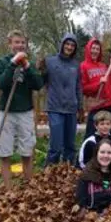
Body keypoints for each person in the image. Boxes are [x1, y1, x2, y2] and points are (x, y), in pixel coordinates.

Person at [0, 29, 44, 189]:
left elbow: (38, 84)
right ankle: (9, 190)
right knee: (4, 151)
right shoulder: (2, 62)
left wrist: (28, 67)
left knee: (27, 150)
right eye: (17, 42)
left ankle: (28, 188)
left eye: (22, 42)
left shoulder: (29, 63)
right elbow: (2, 83)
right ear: (10, 44)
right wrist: (13, 63)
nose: (20, 45)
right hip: (6, 112)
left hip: (25, 112)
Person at [40, 33, 81, 166]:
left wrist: (80, 106)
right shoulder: (50, 62)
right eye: (67, 44)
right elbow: (41, 81)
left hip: (71, 108)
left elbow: (78, 87)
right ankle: (50, 171)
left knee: (70, 144)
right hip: (55, 107)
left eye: (72, 45)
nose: (69, 47)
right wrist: (41, 69)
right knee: (56, 144)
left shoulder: (76, 65)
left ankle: (68, 171)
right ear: (62, 45)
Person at [76, 139, 111, 213]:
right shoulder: (87, 174)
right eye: (102, 152)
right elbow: (81, 202)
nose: (105, 156)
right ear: (96, 154)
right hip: (92, 217)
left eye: (109, 153)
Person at [80, 38, 111, 139]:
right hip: (97, 106)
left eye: (97, 49)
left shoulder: (103, 66)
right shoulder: (83, 66)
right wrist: (98, 84)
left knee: (108, 136)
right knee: (92, 136)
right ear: (88, 49)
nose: (95, 51)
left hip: (110, 105)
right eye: (93, 48)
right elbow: (83, 88)